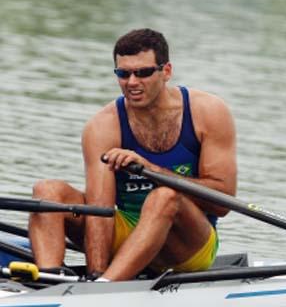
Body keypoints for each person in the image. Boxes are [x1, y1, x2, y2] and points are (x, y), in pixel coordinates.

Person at [28, 28, 237, 281]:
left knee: (164, 197)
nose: (132, 82)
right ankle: (51, 279)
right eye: (123, 74)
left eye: (144, 72)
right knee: (48, 192)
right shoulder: (103, 125)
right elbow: (99, 211)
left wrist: (152, 169)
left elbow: (223, 202)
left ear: (166, 71)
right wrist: (95, 271)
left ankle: (107, 287)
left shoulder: (208, 112)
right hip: (128, 233)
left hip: (188, 245)